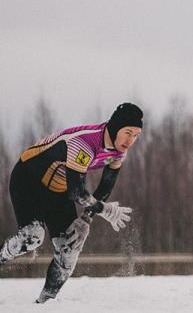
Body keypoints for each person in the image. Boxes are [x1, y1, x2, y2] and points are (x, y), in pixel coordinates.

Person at [0, 103, 142, 303]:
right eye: (128, 132)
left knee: (72, 244)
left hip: (57, 189)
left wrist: (86, 219)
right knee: (32, 237)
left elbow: (104, 188)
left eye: (136, 135)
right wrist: (103, 210)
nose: (130, 140)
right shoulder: (84, 142)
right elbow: (77, 192)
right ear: (115, 127)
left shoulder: (118, 153)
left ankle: (44, 304)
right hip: (28, 180)